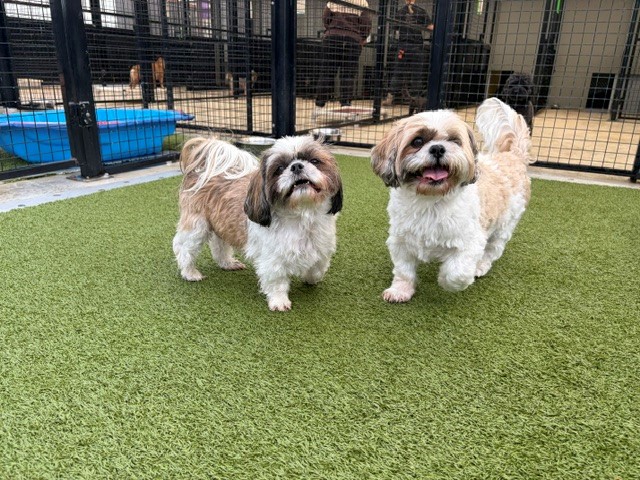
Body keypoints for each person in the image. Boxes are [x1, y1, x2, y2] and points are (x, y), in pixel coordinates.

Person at [314, 0, 372, 116]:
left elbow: (325, 18)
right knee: (348, 74)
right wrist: (361, 38)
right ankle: (346, 104)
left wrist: (332, 30)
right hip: (352, 40)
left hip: (332, 38)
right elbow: (366, 24)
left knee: (327, 73)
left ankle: (319, 106)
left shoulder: (333, 1)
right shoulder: (362, 2)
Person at [382, 0, 433, 106]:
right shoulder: (421, 11)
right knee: (416, 74)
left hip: (404, 46)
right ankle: (416, 100)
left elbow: (394, 28)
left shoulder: (400, 12)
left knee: (398, 73)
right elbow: (430, 27)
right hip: (416, 46)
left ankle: (390, 98)